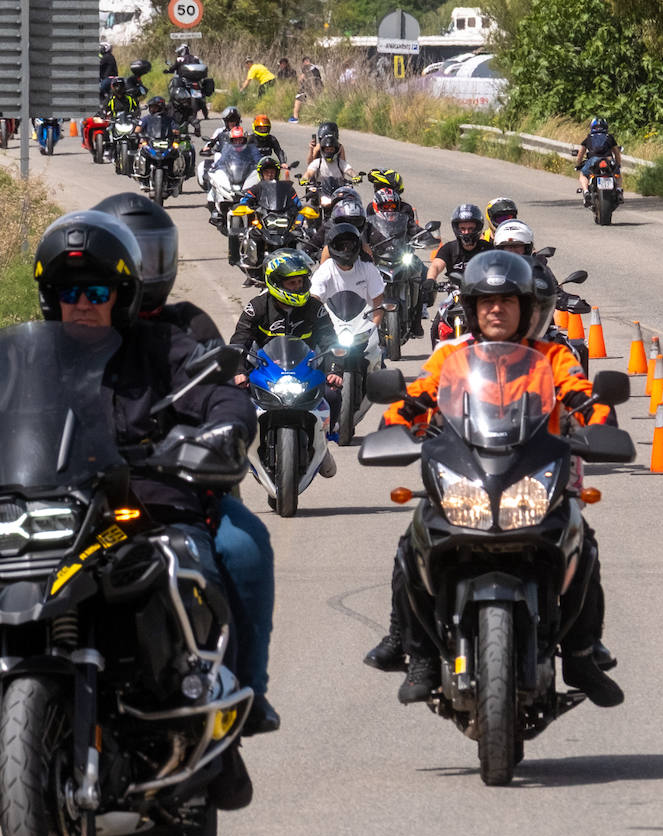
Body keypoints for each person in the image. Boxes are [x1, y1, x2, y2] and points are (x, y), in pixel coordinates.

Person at [0, 209, 261, 804]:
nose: (83, 304)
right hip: (42, 514)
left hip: (141, 510)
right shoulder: (20, 360)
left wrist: (221, 431)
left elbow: (219, 396)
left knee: (199, 561)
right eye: (69, 292)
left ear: (123, 295)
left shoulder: (164, 346)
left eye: (97, 291)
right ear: (51, 300)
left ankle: (213, 711)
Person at [372, 250, 624, 708]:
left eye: (507, 301)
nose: (496, 309)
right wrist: (394, 425)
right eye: (486, 301)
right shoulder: (452, 357)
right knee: (413, 544)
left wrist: (599, 421)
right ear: (470, 307)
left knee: (582, 545)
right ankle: (419, 652)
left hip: (535, 477)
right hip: (465, 474)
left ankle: (583, 655)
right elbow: (415, 399)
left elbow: (583, 397)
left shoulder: (553, 356)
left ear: (525, 307)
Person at [92, 192, 281, 735]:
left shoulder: (184, 328)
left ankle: (247, 689)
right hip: (77, 498)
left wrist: (221, 433)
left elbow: (221, 391)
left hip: (175, 491)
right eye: (127, 256)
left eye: (149, 256)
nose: (141, 270)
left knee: (244, 546)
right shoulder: (67, 331)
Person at [230, 248, 344, 454]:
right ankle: (238, 443)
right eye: (292, 283)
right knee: (232, 393)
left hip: (306, 369)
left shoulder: (314, 307)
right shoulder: (256, 307)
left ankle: (326, 437)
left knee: (333, 395)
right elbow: (240, 340)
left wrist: (335, 370)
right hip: (264, 370)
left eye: (300, 282)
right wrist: (238, 371)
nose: (298, 286)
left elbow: (330, 340)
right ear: (275, 283)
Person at [418, 202, 492, 315]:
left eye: (470, 228)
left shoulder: (488, 248)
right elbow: (436, 265)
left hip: (482, 296)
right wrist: (431, 279)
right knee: (439, 321)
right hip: (455, 297)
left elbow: (499, 266)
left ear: (478, 227)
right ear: (457, 228)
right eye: (463, 228)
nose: (466, 232)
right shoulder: (449, 248)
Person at [313, 221, 385, 326]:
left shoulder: (368, 268)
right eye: (341, 246)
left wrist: (374, 328)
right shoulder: (325, 270)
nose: (345, 250)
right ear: (332, 247)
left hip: (364, 328)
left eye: (349, 245)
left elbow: (378, 302)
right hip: (332, 329)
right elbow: (314, 298)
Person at [575, 116, 621, 203]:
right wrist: (618, 164)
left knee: (583, 174)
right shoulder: (609, 137)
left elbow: (580, 154)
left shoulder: (589, 137)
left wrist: (578, 164)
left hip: (593, 160)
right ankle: (618, 190)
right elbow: (617, 153)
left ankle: (586, 192)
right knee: (617, 174)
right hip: (608, 159)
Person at [292, 57, 324, 123]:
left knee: (298, 98)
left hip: (309, 89)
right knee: (311, 102)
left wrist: (300, 81)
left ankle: (295, 117)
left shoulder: (307, 68)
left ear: (306, 62)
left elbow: (302, 79)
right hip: (318, 89)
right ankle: (314, 118)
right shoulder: (316, 68)